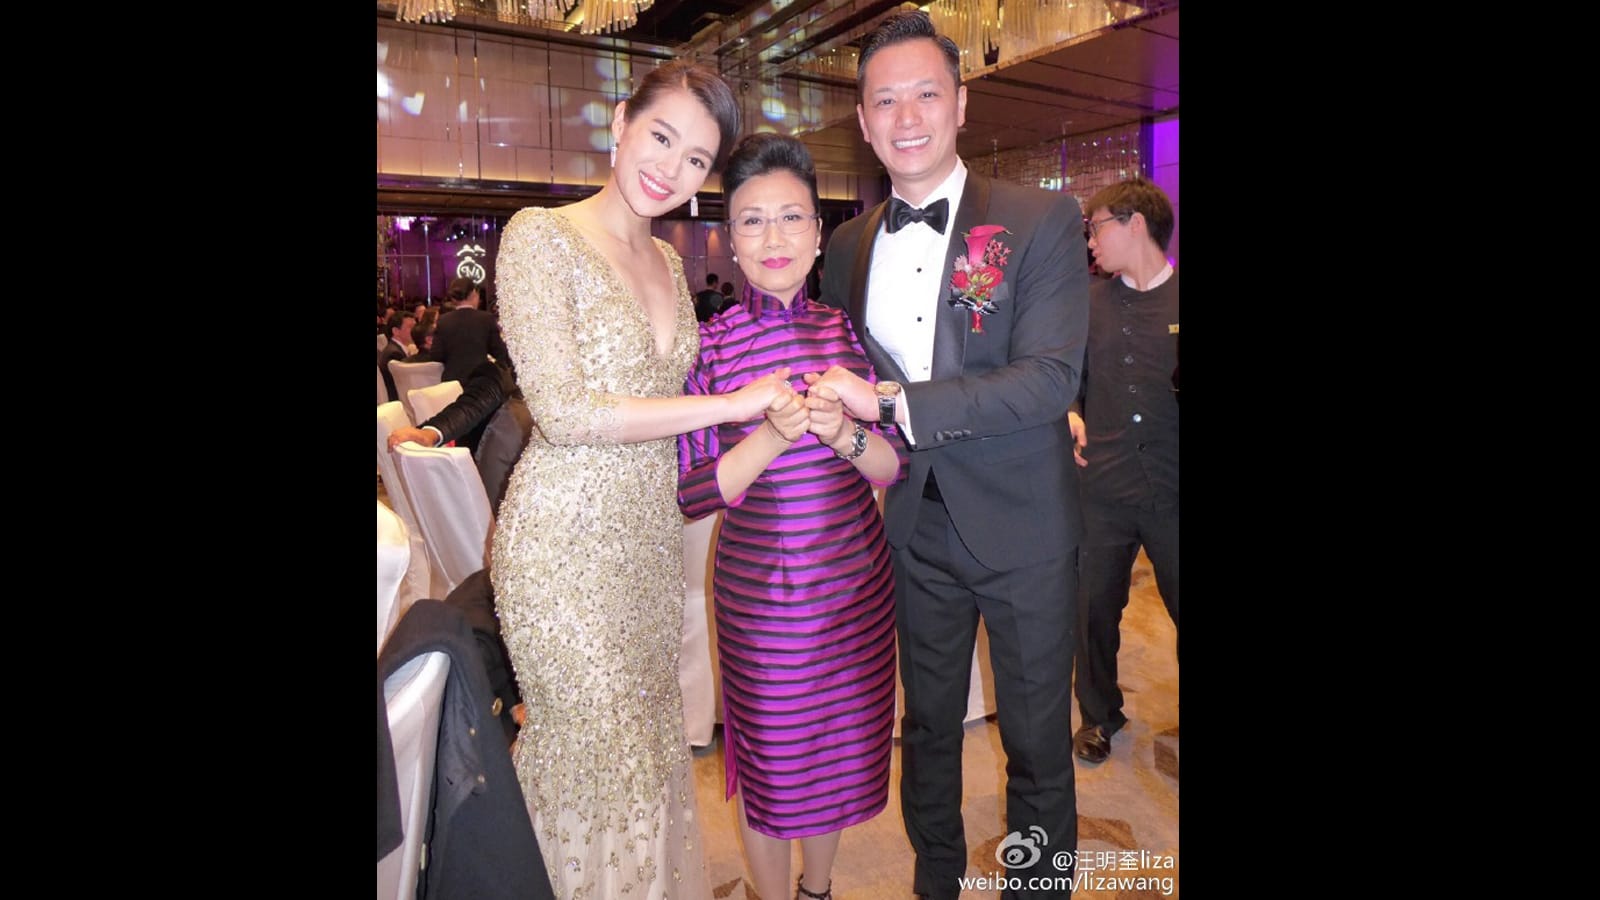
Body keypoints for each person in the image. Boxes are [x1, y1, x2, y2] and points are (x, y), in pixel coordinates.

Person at [489, 59, 795, 900]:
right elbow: (565, 412)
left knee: (646, 752)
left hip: (648, 547)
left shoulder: (665, 259)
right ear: (621, 121)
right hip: (563, 548)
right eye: (661, 137)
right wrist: (732, 404)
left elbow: (671, 411)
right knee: (588, 756)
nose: (671, 167)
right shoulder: (540, 237)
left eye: (696, 159)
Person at [811, 11, 1090, 899]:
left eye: (926, 94)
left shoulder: (1039, 218)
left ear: (961, 104)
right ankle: (936, 881)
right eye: (885, 100)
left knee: (1036, 744)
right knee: (928, 730)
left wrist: (896, 405)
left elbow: (1048, 380)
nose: (907, 117)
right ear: (863, 120)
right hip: (913, 526)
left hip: (1026, 531)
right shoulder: (849, 245)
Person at [676, 133, 907, 900]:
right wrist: (772, 437)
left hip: (856, 591)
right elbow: (691, 492)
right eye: (752, 221)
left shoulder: (847, 333)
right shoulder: (710, 348)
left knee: (838, 754)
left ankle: (819, 889)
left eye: (790, 218)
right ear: (731, 239)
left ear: (816, 233)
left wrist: (844, 434)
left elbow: (892, 466)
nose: (773, 237)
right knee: (771, 766)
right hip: (763, 602)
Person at [1067, 177, 1179, 766]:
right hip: (1103, 486)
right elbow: (1067, 378)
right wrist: (1070, 411)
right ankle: (1099, 715)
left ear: (1135, 224)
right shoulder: (1089, 303)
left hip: (1173, 489)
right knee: (1092, 611)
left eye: (1096, 227)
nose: (1091, 241)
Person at [433, 276, 510, 384]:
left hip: (452, 383)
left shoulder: (443, 321)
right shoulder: (486, 319)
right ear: (473, 293)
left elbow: (436, 354)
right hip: (480, 382)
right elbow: (500, 352)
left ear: (454, 298)